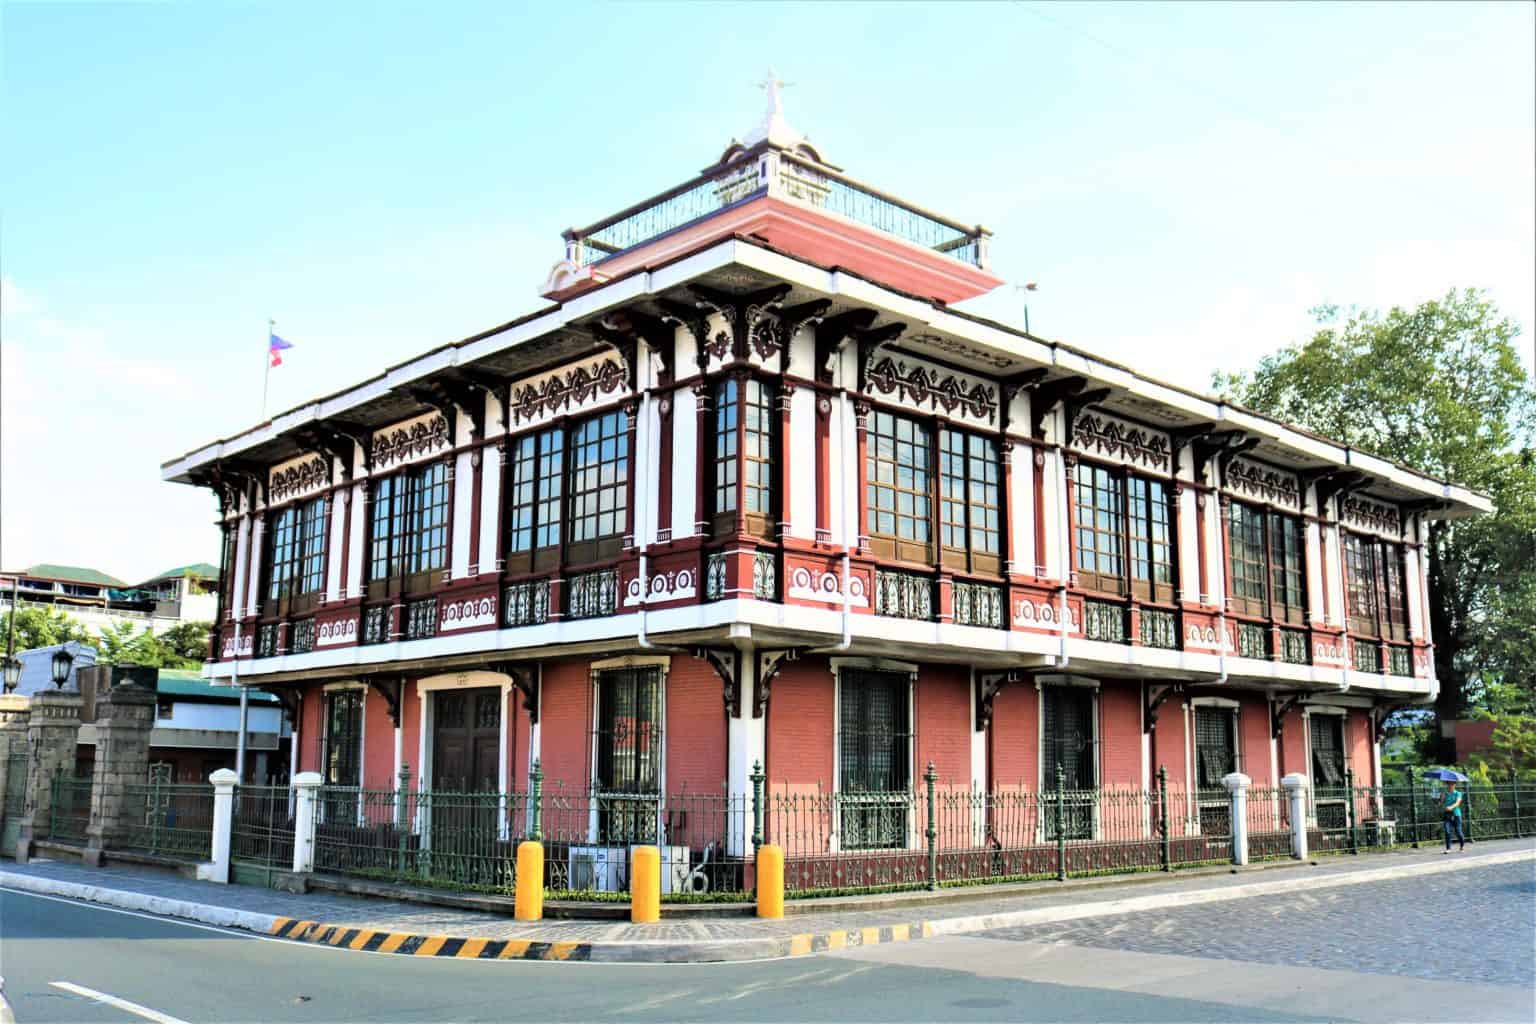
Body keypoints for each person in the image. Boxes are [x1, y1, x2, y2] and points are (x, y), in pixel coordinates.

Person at [1442, 780, 1466, 853]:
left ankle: (1462, 846)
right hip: (1447, 815)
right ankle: (1448, 848)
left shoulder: (1458, 793)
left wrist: (1451, 807)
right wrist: (1441, 799)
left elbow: (1457, 803)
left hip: (1456, 815)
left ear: (1455, 785)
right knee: (1447, 831)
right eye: (1448, 784)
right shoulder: (1445, 794)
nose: (1450, 785)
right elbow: (1441, 804)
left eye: (1452, 784)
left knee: (1458, 832)